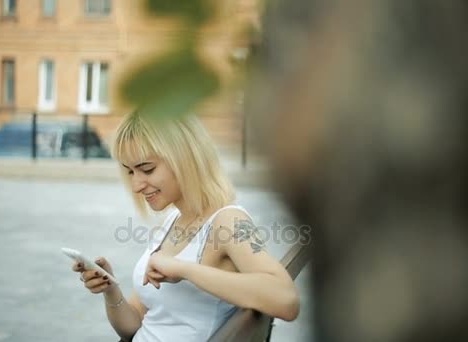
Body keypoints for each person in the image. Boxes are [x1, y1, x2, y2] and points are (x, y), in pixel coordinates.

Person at [71, 111, 300, 341]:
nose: (136, 185)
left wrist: (185, 270)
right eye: (130, 172)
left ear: (184, 158)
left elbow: (286, 300)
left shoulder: (228, 221)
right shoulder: (172, 220)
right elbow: (134, 325)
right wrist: (110, 289)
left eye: (147, 169)